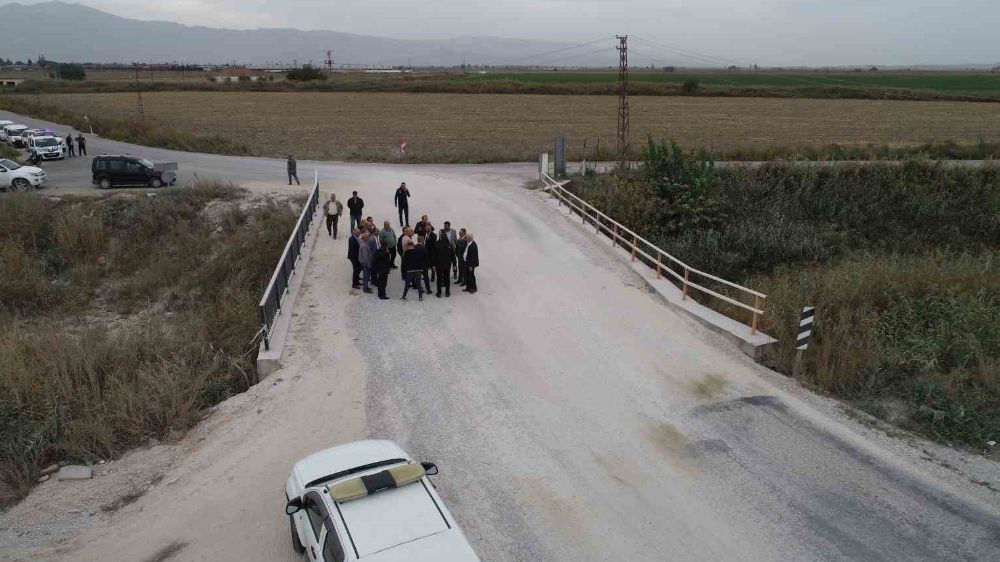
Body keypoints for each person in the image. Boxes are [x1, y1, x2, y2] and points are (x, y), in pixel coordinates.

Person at [434, 229, 456, 298]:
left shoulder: (437, 245)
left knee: (439, 279)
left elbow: (434, 256)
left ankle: (439, 293)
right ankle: (447, 292)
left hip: (439, 265)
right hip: (447, 266)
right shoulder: (449, 245)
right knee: (447, 279)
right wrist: (454, 264)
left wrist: (433, 265)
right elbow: (453, 256)